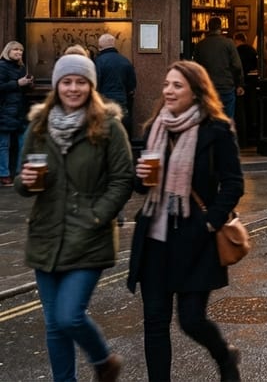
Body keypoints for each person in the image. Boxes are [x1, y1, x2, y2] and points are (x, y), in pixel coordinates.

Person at [17, 54, 134, 382]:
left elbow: (123, 180)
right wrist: (24, 182)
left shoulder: (109, 126)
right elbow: (21, 181)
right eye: (66, 82)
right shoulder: (39, 126)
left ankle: (103, 360)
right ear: (56, 85)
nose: (73, 88)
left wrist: (98, 217)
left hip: (89, 237)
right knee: (54, 324)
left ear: (91, 86)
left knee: (68, 316)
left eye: (80, 82)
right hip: (47, 236)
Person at [125, 60, 244, 381]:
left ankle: (225, 355)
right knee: (154, 322)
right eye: (166, 84)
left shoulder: (217, 130)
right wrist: (140, 178)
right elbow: (141, 186)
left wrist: (210, 222)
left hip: (196, 238)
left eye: (177, 85)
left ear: (196, 90)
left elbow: (234, 183)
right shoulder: (154, 129)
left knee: (191, 320)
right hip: (155, 236)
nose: (168, 90)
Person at [192, 18, 243, 122]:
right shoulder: (229, 43)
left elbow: (195, 68)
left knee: (208, 119)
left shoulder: (200, 45)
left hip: (207, 89)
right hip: (226, 87)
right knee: (227, 120)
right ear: (220, 27)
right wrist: (239, 84)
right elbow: (237, 66)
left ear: (208, 27)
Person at [0, 41, 35, 186]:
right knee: (3, 144)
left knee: (23, 142)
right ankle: (4, 174)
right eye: (15, 50)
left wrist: (29, 84)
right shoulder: (1, 66)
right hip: (4, 110)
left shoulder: (21, 67)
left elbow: (23, 90)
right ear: (8, 51)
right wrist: (17, 84)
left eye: (21, 51)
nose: (19, 53)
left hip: (20, 110)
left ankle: (20, 173)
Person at [94, 33, 137, 137]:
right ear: (114, 45)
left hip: (104, 103)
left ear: (100, 47)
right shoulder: (125, 61)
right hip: (122, 103)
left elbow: (95, 84)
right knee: (123, 133)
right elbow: (132, 86)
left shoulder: (98, 62)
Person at [232, 33, 259, 142]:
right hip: (252, 83)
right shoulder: (252, 50)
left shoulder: (236, 52)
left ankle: (241, 137)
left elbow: (236, 68)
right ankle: (250, 135)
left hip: (240, 84)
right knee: (251, 109)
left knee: (240, 110)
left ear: (236, 40)